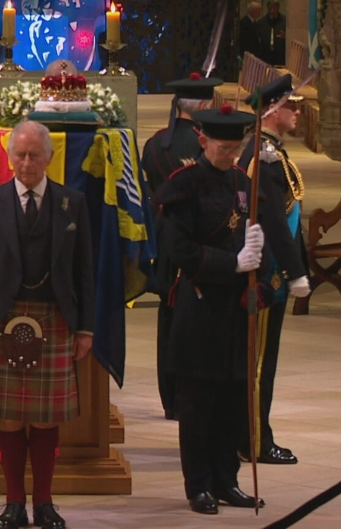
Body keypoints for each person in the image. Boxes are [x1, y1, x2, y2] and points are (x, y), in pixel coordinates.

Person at [0, 120, 95, 529]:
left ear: (49, 158)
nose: (26, 163)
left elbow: (84, 272)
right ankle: (14, 503)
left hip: (54, 318)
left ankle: (45, 502)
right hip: (1, 320)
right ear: (9, 157)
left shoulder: (73, 203)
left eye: (34, 155)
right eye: (19, 155)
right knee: (9, 417)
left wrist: (86, 328)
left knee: (44, 418)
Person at [155, 104, 274, 514]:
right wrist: (231, 263)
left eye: (237, 147)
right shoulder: (183, 186)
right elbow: (181, 250)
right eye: (224, 148)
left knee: (233, 400)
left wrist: (259, 257)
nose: (232, 156)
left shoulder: (244, 182)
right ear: (203, 141)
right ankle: (199, 485)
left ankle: (228, 481)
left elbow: (256, 235)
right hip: (200, 304)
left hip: (236, 309)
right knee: (198, 403)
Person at [237, 75, 311, 466]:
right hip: (269, 275)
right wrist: (297, 271)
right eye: (292, 105)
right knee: (259, 364)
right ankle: (255, 440)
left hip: (276, 271)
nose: (297, 112)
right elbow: (273, 222)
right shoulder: (261, 155)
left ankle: (252, 434)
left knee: (261, 361)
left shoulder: (269, 150)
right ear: (273, 111)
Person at [141, 73, 218, 421]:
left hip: (164, 237)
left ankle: (169, 398)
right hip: (202, 238)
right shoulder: (209, 145)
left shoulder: (158, 144)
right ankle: (194, 394)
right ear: (203, 106)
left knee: (168, 315)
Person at [261, 1, 287, 67]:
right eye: (270, 8)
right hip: (266, 53)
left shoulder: (284, 21)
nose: (272, 11)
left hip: (280, 54)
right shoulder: (262, 22)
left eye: (274, 8)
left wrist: (285, 37)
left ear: (278, 8)